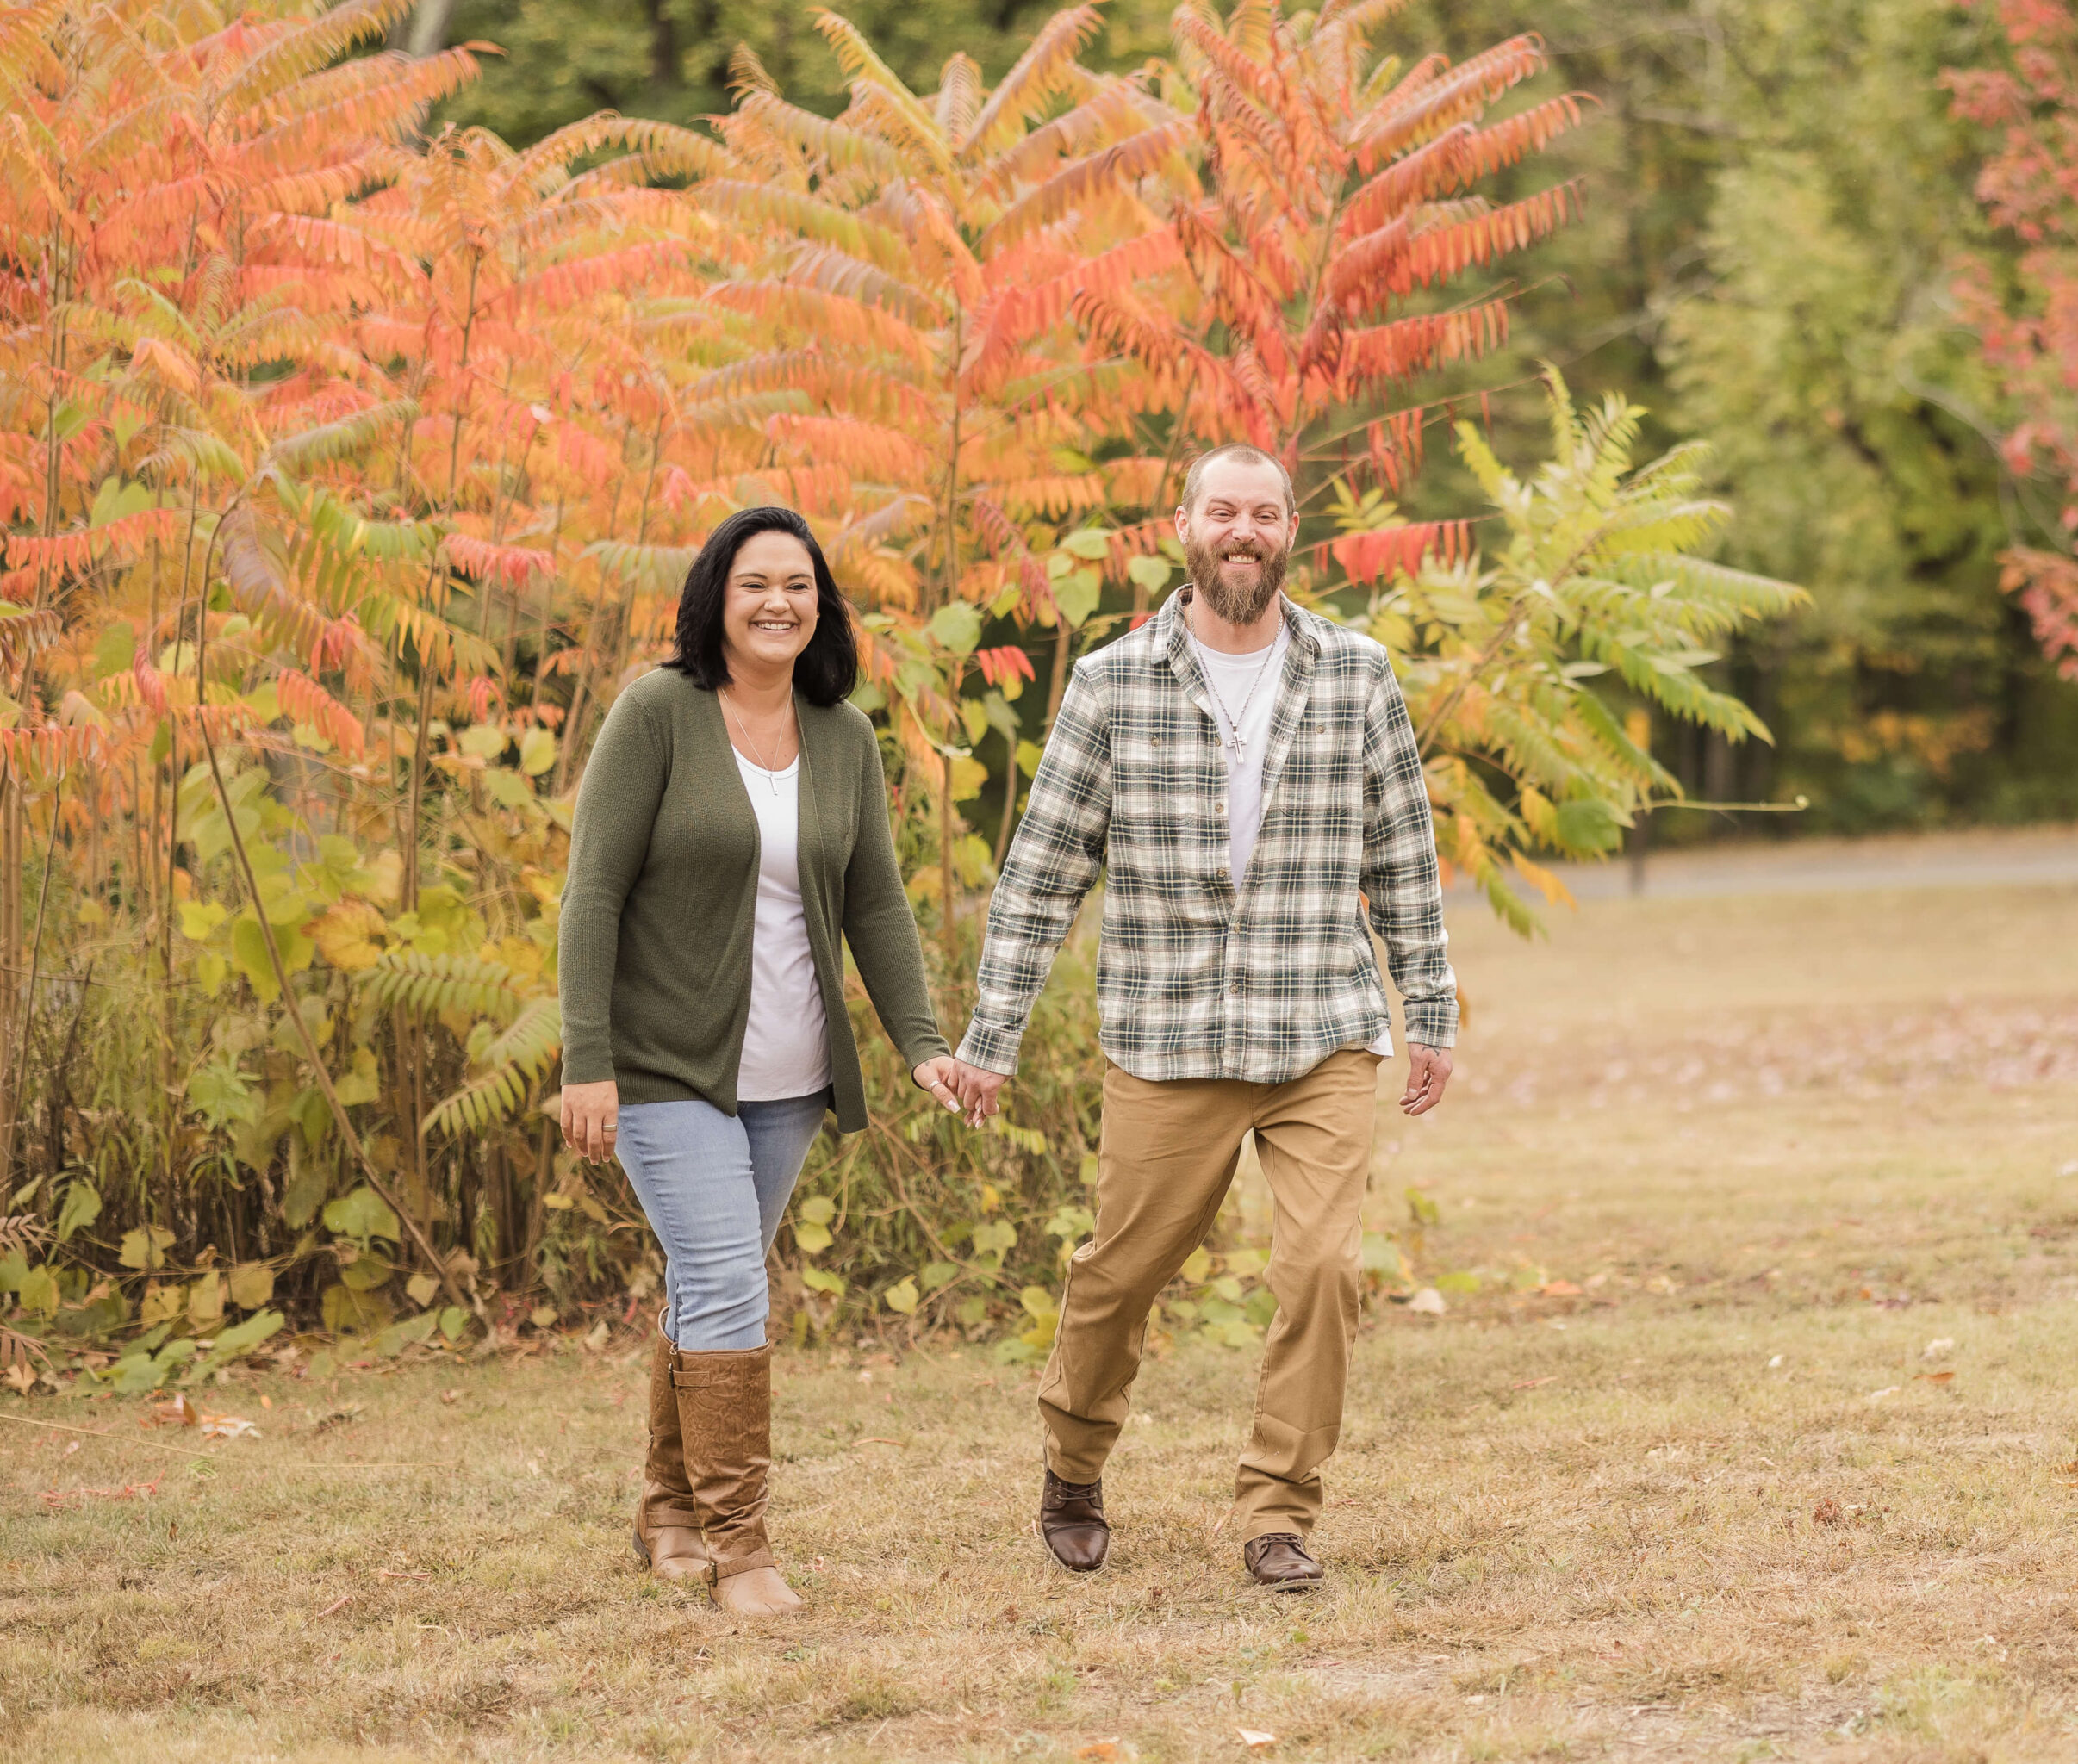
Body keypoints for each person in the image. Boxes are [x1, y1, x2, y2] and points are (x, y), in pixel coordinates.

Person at [951, 444, 1458, 1589]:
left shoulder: (1356, 673)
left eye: (1264, 513)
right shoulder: (1112, 682)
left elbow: (1405, 860)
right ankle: (1074, 1463)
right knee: (1121, 1275)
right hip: (1168, 1038)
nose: (1244, 529)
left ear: (1291, 532)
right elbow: (1040, 875)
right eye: (1222, 510)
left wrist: (1430, 1007)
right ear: (1183, 528)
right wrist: (995, 1034)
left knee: (1323, 1268)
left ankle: (1278, 1511)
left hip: (1319, 1027)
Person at [559, 506, 961, 1618]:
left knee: (709, 1283)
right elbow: (592, 892)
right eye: (755, 584)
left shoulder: (843, 738)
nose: (779, 601)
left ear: (821, 605)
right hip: (662, 1067)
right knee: (734, 1283)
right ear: (714, 601)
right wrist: (587, 1060)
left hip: (791, 1078)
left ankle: (668, 1508)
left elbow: (875, 905)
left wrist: (921, 1045)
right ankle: (742, 1549)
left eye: (799, 584)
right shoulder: (659, 714)